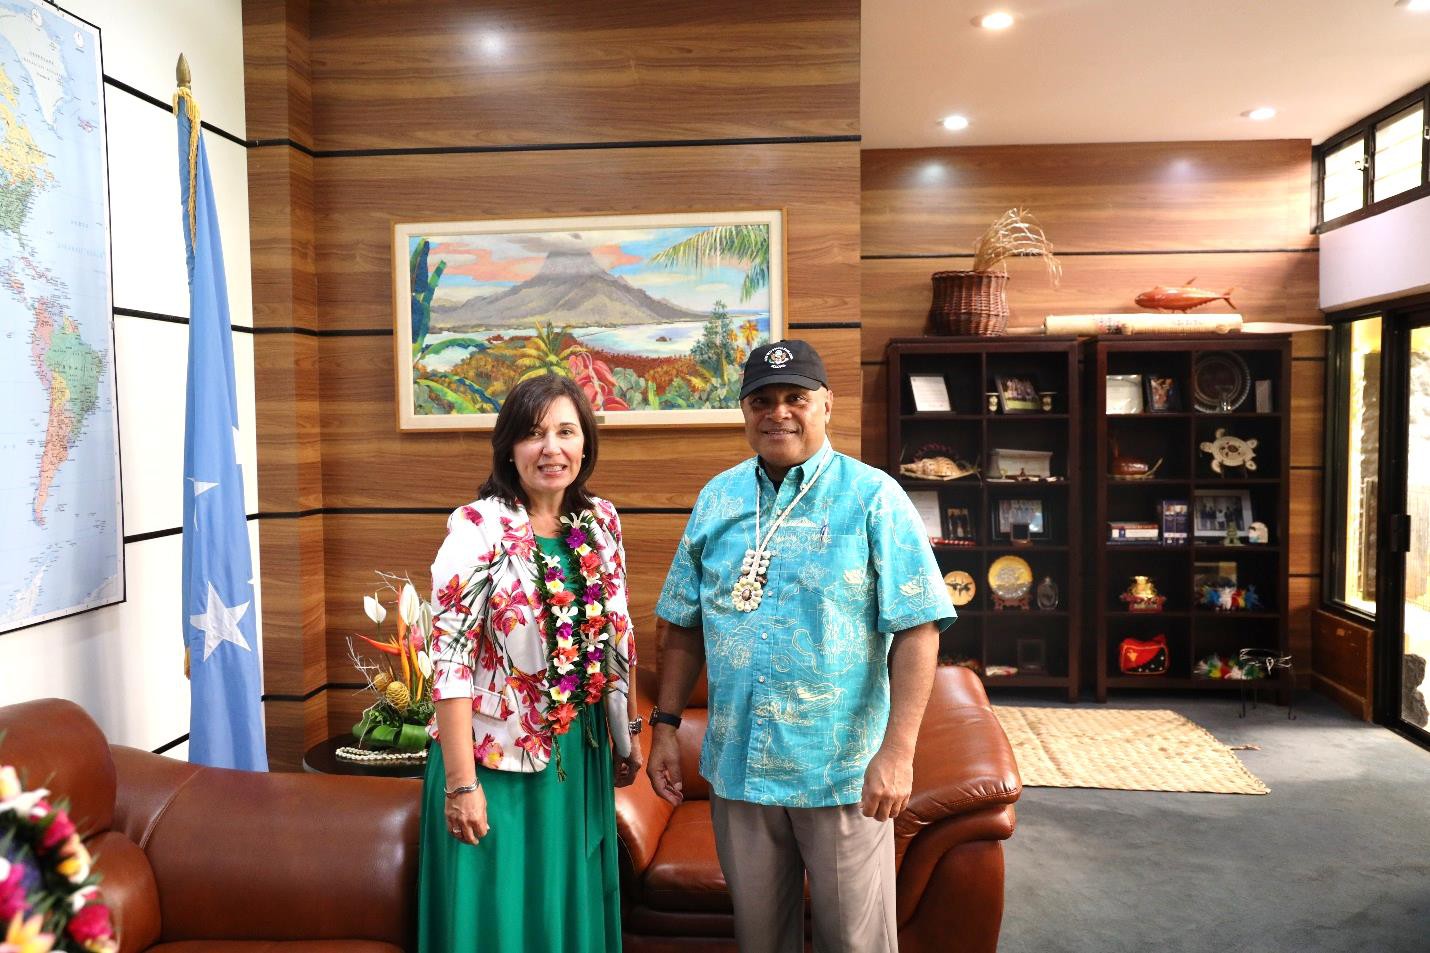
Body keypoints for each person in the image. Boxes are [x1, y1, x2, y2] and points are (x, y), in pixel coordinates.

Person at [647, 339, 956, 953]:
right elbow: (681, 623)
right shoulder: (718, 498)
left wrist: (898, 753)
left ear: (826, 405)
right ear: (745, 410)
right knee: (760, 940)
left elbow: (919, 626)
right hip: (739, 769)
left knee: (856, 943)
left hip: (839, 772)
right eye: (762, 401)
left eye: (796, 398)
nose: (778, 413)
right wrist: (664, 727)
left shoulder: (873, 497)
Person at [419, 373, 643, 953]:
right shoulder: (477, 527)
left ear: (585, 443)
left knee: (562, 907)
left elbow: (618, 635)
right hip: (492, 760)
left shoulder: (602, 521)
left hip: (580, 755)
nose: (551, 449)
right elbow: (449, 661)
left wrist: (627, 735)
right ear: (509, 446)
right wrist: (461, 785)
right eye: (534, 434)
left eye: (566, 432)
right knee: (500, 916)